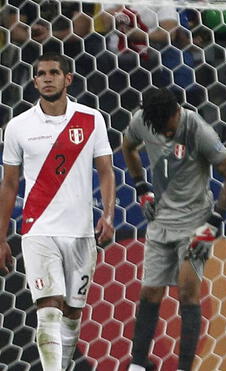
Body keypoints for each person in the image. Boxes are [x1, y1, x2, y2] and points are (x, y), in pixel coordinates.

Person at [0, 52, 115, 370]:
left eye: (53, 72)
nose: (46, 78)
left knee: (72, 312)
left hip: (80, 232)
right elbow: (9, 184)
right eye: (40, 74)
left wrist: (108, 214)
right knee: (48, 307)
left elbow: (105, 170)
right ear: (34, 80)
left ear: (68, 79)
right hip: (38, 230)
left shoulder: (91, 119)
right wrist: (0, 238)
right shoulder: (18, 126)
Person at [121, 88, 226, 371]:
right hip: (160, 221)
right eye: (160, 129)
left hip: (195, 223)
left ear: (177, 111)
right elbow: (128, 147)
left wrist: (214, 221)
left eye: (170, 126)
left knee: (187, 291)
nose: (167, 133)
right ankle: (138, 364)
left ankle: (185, 368)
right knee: (150, 293)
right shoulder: (140, 122)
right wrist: (141, 186)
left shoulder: (198, 129)